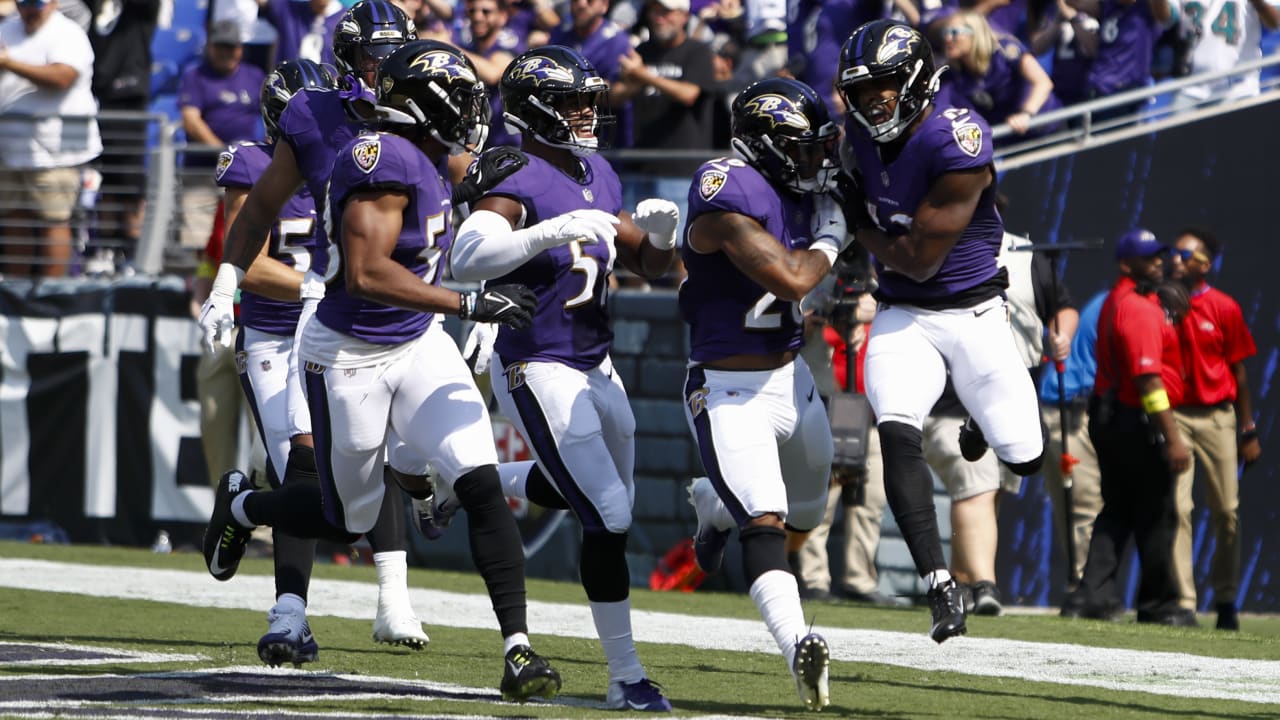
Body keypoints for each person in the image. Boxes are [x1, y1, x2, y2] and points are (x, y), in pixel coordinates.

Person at [200, 38, 560, 703]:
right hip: (348, 354)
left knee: (480, 482)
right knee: (346, 517)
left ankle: (518, 649)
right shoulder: (381, 158)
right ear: (424, 105)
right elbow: (367, 274)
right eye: (461, 100)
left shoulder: (423, 148)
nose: (472, 114)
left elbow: (467, 195)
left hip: (419, 342)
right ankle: (246, 505)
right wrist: (470, 304)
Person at [450, 45, 677, 712]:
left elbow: (652, 267)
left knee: (598, 495)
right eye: (575, 101)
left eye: (590, 99)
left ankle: (464, 484)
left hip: (594, 361)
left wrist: (661, 241)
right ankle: (625, 676)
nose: (588, 111)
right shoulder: (513, 166)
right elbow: (467, 258)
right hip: (536, 360)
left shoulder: (599, 171)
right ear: (536, 107)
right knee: (609, 512)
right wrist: (543, 235)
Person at [833, 19, 1045, 642]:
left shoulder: (957, 140)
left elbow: (919, 258)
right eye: (862, 88)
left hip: (973, 311)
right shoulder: (855, 134)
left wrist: (851, 218)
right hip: (903, 313)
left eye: (886, 85)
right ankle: (939, 584)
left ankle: (982, 421)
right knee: (898, 433)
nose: (874, 100)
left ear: (920, 81)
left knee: (1024, 459)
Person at [681, 76, 845, 711]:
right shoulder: (726, 187)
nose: (814, 161)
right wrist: (832, 238)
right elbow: (791, 274)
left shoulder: (794, 187)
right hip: (728, 389)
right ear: (766, 144)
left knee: (805, 514)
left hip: (791, 377)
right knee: (767, 521)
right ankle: (797, 643)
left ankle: (712, 505)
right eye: (802, 148)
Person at [1063, 229, 1195, 626]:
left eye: (1159, 255)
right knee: (1157, 515)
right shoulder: (1137, 308)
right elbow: (1149, 380)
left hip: (1110, 416)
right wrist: (1172, 437)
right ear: (1126, 264)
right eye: (1147, 257)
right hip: (1135, 420)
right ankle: (1161, 606)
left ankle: (1092, 596)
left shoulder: (1118, 300)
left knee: (1117, 512)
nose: (1158, 261)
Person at [1168, 226, 1260, 631]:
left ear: (1204, 264)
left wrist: (1247, 430)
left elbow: (1238, 372)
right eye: (1174, 253)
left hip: (1218, 417)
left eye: (1185, 255)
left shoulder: (1224, 307)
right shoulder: (1159, 304)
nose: (1175, 260)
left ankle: (1225, 599)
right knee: (1178, 509)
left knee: (1227, 511)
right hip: (1175, 417)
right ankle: (1184, 603)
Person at [795, 283, 892, 605]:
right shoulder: (813, 289)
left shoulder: (883, 292)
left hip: (871, 408)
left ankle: (859, 579)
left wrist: (872, 311)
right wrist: (815, 318)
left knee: (870, 501)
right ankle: (813, 579)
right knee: (822, 500)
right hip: (826, 403)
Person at [0, 0, 102, 278]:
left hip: (54, 152)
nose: (30, 9)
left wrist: (9, 63)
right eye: (23, 3)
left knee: (53, 221)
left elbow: (62, 77)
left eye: (37, 3)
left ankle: (51, 295)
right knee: (13, 219)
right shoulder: (6, 29)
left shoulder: (68, 33)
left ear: (53, 3)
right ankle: (15, 292)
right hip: (9, 148)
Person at [177, 20, 265, 252]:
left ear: (240, 48)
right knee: (198, 237)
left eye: (231, 47)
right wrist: (222, 150)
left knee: (239, 233)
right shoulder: (195, 76)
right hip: (203, 169)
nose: (226, 52)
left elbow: (270, 116)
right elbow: (190, 119)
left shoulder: (254, 76)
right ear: (211, 47)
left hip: (243, 171)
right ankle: (199, 287)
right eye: (220, 46)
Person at [1038, 290, 1106, 589]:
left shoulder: (1104, 301)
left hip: (1064, 411)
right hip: (1070, 412)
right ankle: (1087, 588)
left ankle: (1084, 585)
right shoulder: (1109, 304)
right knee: (1082, 504)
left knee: (1078, 505)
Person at [87, 0, 160, 270]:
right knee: (107, 184)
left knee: (130, 186)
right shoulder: (95, 8)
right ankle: (105, 252)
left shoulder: (139, 12)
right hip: (98, 99)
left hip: (130, 102)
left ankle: (131, 255)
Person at [937, 11, 1061, 140]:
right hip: (1010, 137)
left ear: (976, 34)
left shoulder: (1005, 50)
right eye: (945, 32)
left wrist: (1026, 114)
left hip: (1045, 127)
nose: (947, 38)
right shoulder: (953, 73)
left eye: (955, 32)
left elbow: (1043, 82)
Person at [1172, 0, 1280, 108]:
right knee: (1176, 119)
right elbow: (1166, 19)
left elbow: (1275, 22)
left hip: (1239, 86)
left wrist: (1258, 3)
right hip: (1192, 86)